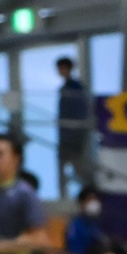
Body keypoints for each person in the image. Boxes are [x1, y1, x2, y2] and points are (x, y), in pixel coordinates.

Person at [54, 54, 90, 197]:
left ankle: (87, 194)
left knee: (78, 167)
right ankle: (64, 195)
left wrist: (75, 132)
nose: (59, 71)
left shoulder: (75, 87)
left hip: (74, 135)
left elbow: (80, 112)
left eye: (61, 68)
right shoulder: (66, 87)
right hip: (65, 134)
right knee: (64, 167)